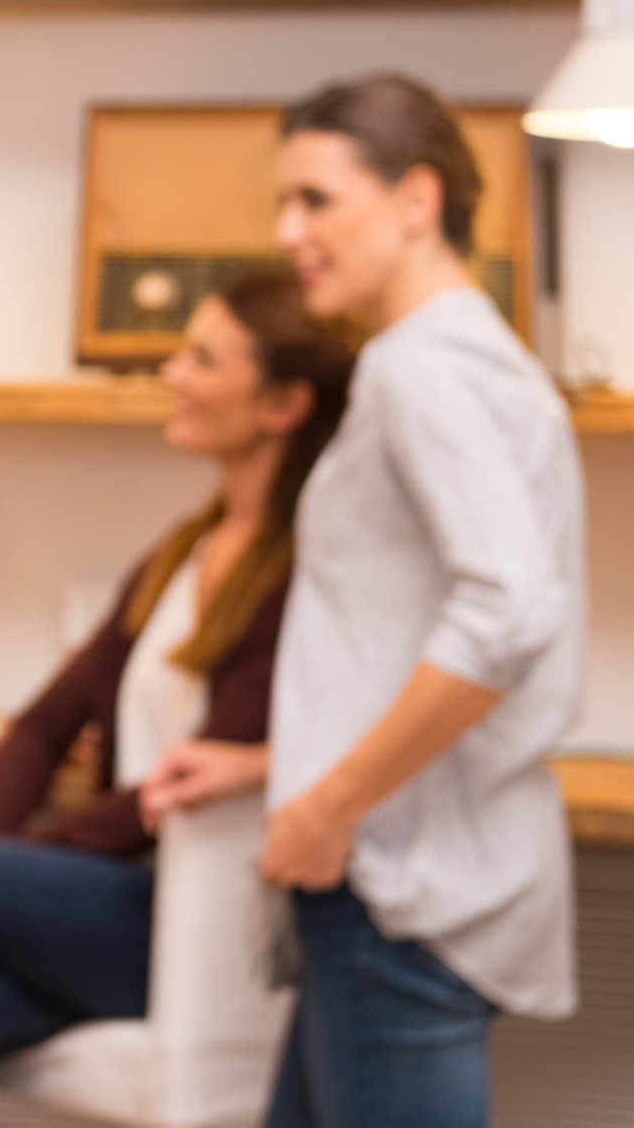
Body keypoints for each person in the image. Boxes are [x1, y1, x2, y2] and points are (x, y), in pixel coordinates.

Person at [0, 270, 354, 1128]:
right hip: (91, 908)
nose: (171, 372)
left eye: (201, 358)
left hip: (183, 926)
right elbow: (45, 727)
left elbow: (171, 796)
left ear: (281, 404)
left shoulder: (297, 580)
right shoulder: (189, 552)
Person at [260, 72, 584, 1128]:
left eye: (314, 199)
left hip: (394, 885)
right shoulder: (479, 358)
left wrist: (330, 801)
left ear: (415, 198)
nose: (288, 231)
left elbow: (507, 608)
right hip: (405, 873)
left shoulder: (416, 369)